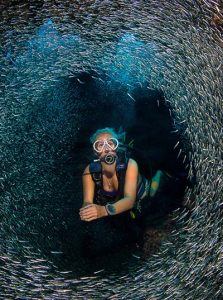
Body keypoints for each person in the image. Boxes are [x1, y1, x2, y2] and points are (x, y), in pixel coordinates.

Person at [79, 127, 166, 256]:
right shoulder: (89, 171)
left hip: (140, 195)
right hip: (117, 202)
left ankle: (159, 174)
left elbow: (130, 200)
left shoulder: (130, 164)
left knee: (152, 193)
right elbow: (87, 201)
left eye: (111, 142)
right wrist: (87, 210)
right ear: (95, 152)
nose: (107, 148)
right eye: (100, 145)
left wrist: (102, 211)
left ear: (116, 146)